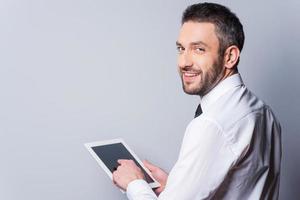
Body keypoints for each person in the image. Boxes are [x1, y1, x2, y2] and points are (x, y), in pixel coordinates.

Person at [112, 2, 282, 200]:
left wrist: (134, 183)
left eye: (199, 49)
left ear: (230, 57)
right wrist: (176, 185)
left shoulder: (211, 124)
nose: (184, 62)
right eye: (181, 48)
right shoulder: (264, 112)